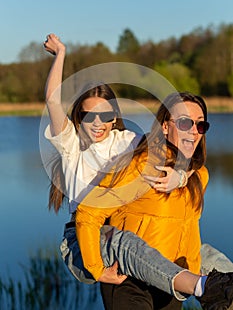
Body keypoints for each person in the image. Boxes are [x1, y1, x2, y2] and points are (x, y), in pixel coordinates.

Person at [43, 34, 233, 310]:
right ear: (78, 118)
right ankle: (199, 286)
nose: (98, 123)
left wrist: (181, 175)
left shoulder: (126, 140)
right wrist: (60, 54)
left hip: (112, 224)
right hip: (88, 236)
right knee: (127, 243)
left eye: (106, 116)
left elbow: (175, 146)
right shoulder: (72, 145)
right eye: (89, 116)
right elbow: (51, 101)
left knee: (200, 252)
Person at [75, 91, 233, 310]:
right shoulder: (142, 165)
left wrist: (182, 175)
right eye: (185, 123)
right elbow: (89, 211)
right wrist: (96, 268)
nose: (194, 132)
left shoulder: (199, 176)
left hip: (173, 280)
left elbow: (187, 224)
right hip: (130, 279)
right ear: (165, 126)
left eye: (200, 125)